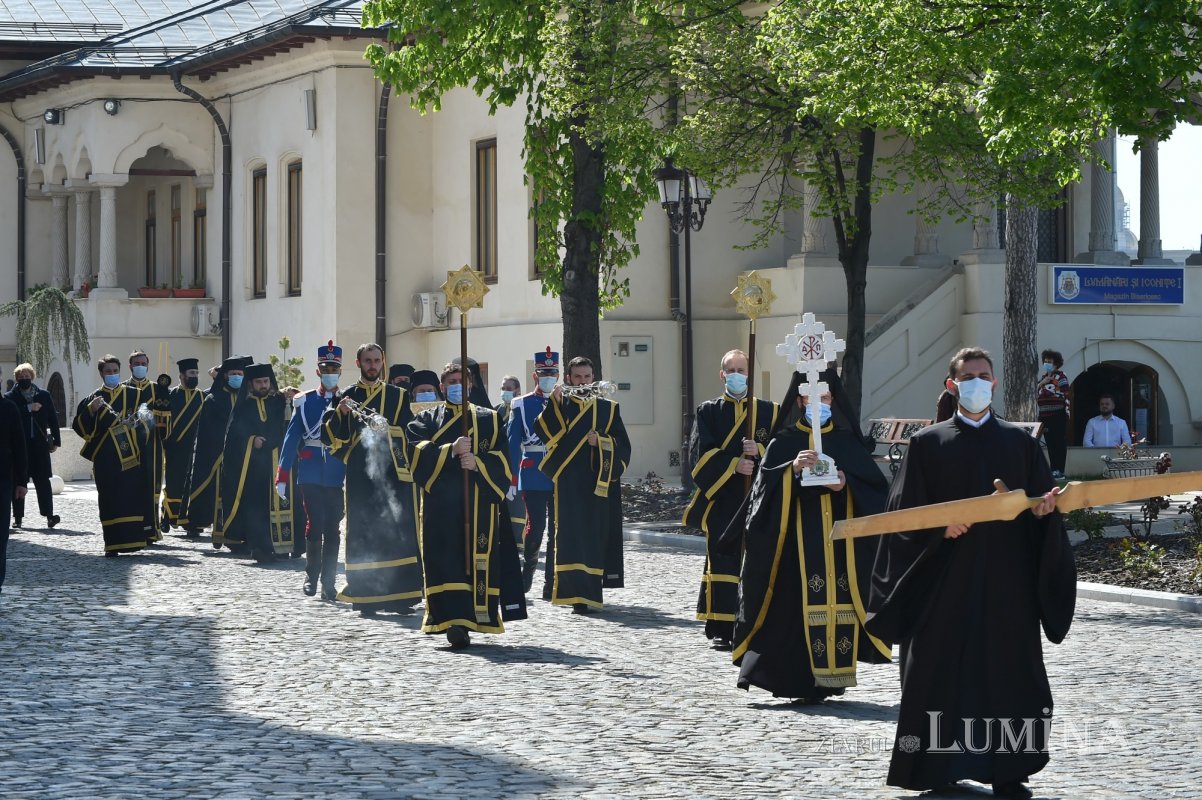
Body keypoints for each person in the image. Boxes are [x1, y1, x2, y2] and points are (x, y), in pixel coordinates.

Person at [865, 347, 1076, 799]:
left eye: (984, 375)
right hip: (943, 581)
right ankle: (935, 770)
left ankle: (1008, 770)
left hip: (1007, 584)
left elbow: (1043, 509)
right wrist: (941, 528)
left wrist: (1044, 511)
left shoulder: (1021, 442)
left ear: (994, 383)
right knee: (938, 671)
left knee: (1007, 673)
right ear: (952, 384)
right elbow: (902, 519)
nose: (977, 383)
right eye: (968, 376)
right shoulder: (927, 444)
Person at [731, 367, 890, 700]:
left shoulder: (847, 442)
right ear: (800, 400)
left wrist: (846, 485)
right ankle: (795, 680)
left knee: (840, 604)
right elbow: (762, 495)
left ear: (834, 399)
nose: (820, 402)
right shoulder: (785, 441)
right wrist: (791, 470)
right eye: (812, 397)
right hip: (794, 547)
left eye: (827, 396)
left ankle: (831, 679)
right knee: (790, 610)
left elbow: (878, 491)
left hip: (839, 549)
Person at [408, 362, 525, 648]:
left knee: (474, 561)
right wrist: (451, 450)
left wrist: (478, 463)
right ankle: (453, 622)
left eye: (462, 380)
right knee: (446, 561)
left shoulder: (489, 418)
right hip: (441, 507)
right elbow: (415, 455)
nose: (457, 385)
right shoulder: (426, 419)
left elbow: (502, 457)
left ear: (471, 385)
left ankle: (475, 616)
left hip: (479, 504)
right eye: (451, 381)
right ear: (442, 386)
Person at [683, 349, 780, 650]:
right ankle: (723, 626)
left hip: (758, 497)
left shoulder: (769, 411)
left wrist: (761, 452)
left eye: (742, 369)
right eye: (731, 370)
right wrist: (733, 465)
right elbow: (699, 455)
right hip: (723, 498)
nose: (737, 375)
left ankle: (754, 623)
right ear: (722, 374)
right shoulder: (708, 411)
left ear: (749, 373)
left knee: (756, 559)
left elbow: (784, 450)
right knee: (724, 557)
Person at [321, 343, 423, 616]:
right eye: (368, 360)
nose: (373, 365)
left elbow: (412, 434)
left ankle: (402, 595)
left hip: (393, 474)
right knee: (364, 531)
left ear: (383, 362)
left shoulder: (398, 396)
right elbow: (332, 439)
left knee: (397, 530)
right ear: (358, 363)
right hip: (360, 475)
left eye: (377, 360)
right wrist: (341, 415)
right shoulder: (346, 396)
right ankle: (366, 595)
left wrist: (388, 432)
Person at [534, 355, 631, 613]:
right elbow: (545, 433)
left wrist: (600, 442)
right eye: (577, 376)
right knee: (568, 537)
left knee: (593, 536)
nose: (583, 381)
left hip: (597, 482)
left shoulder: (608, 408)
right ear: (568, 378)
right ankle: (570, 592)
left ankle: (590, 591)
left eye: (587, 376)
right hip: (567, 482)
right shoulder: (560, 403)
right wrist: (552, 405)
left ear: (593, 376)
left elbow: (623, 446)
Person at [277, 341, 347, 602]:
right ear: (318, 371)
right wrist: (282, 473)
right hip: (309, 469)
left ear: (340, 372)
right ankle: (311, 576)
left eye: (334, 368)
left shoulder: (347, 401)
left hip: (336, 471)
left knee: (333, 527)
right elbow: (291, 437)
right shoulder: (304, 401)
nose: (330, 372)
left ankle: (329, 584)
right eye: (325, 368)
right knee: (314, 522)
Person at [73, 355, 156, 555]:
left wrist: (136, 424)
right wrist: (91, 411)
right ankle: (112, 544)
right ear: (101, 373)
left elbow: (148, 419)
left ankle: (134, 541)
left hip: (130, 458)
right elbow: (80, 427)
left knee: (130, 498)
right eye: (108, 371)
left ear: (120, 371)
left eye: (115, 371)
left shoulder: (135, 394)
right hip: (105, 459)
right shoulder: (92, 399)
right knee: (109, 500)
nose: (112, 374)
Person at [216, 363, 293, 561]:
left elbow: (287, 425)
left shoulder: (278, 402)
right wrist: (252, 441)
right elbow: (234, 437)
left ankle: (283, 546)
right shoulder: (244, 405)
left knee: (280, 503)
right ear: (251, 384)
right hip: (252, 466)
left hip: (276, 462)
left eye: (266, 381)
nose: (263, 385)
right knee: (256, 508)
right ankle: (260, 547)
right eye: (259, 382)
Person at [507, 348, 559, 594]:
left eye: (553, 372)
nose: (549, 376)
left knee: (558, 529)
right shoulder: (521, 403)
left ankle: (551, 582)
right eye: (544, 372)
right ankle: (527, 572)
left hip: (560, 472)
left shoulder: (565, 402)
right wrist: (511, 478)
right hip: (534, 472)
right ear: (536, 375)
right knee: (537, 526)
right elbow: (512, 444)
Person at [184, 355, 252, 536]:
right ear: (225, 376)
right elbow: (207, 429)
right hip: (216, 452)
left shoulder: (248, 398)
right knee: (211, 487)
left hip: (243, 452)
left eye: (240, 373)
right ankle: (199, 521)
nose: (237, 376)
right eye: (233, 373)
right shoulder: (214, 399)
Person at [5, 363, 60, 530]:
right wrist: (29, 408)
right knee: (18, 482)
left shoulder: (43, 395)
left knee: (43, 482)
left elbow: (52, 418)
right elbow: (11, 416)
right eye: (21, 378)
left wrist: (56, 440)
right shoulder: (10, 397)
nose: (24, 380)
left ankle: (50, 516)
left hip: (39, 446)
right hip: (19, 447)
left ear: (32, 377)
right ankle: (18, 517)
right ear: (16, 379)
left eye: (27, 377)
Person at [125, 349, 170, 540]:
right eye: (136, 364)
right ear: (130, 366)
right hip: (129, 446)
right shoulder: (123, 389)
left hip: (152, 446)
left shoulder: (157, 388)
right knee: (131, 486)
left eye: (143, 363)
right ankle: (132, 529)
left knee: (153, 486)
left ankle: (151, 530)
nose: (140, 367)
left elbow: (166, 419)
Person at [161, 358, 206, 533]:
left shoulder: (202, 396)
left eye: (196, 373)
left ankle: (190, 521)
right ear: (181, 376)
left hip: (195, 450)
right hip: (175, 448)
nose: (194, 376)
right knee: (174, 485)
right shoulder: (170, 396)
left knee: (193, 487)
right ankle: (167, 515)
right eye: (191, 373)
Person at [0, 389, 28, 595]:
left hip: (3, 478)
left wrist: (21, 481)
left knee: (1, 534)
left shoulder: (9, 408)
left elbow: (20, 445)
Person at [494, 374, 526, 548]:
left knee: (517, 504)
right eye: (503, 388)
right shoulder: (496, 411)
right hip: (499, 464)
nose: (505, 392)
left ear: (517, 390)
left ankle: (518, 542)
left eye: (508, 389)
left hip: (519, 464)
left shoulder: (522, 408)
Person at [1036, 349, 1070, 478]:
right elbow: (1036, 393)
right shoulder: (1043, 378)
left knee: (1059, 443)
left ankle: (1060, 471)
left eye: (1049, 361)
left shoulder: (1061, 376)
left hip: (1058, 415)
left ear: (1056, 364)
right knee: (1049, 443)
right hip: (1044, 416)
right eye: (1045, 361)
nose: (1047, 363)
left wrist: (1066, 413)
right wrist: (1042, 384)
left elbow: (1066, 394)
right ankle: (1052, 469)